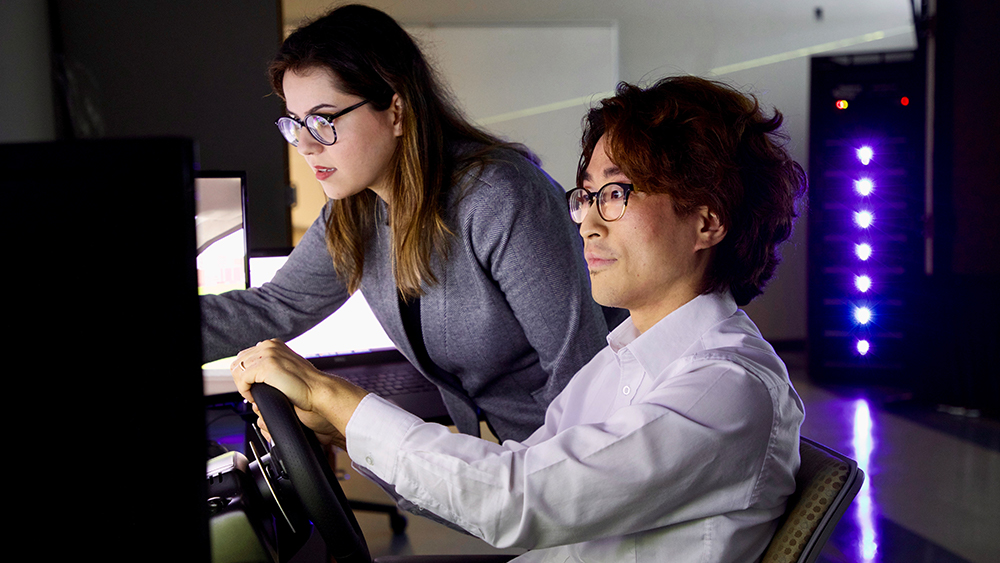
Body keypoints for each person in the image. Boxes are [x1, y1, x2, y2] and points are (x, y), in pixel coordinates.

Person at [233, 75, 808, 562]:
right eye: (586, 196)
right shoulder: (624, 357)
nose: (587, 223)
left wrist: (333, 397)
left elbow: (514, 501)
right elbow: (511, 479)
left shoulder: (724, 387)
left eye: (616, 194)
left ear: (707, 222)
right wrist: (345, 431)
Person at [202, 4, 609, 442]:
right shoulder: (354, 212)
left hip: (572, 445)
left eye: (322, 120)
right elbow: (273, 306)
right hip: (506, 453)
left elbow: (581, 367)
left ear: (395, 111)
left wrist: (537, 471)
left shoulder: (500, 196)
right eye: (296, 124)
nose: (304, 145)